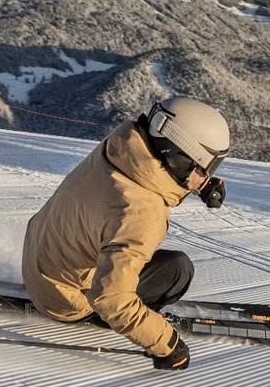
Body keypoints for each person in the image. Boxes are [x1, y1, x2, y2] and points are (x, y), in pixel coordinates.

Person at [22, 96, 231, 371]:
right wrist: (166, 343)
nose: (206, 177)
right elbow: (111, 298)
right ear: (181, 159)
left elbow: (157, 161)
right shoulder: (142, 212)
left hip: (38, 257)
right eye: (205, 169)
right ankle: (120, 319)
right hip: (68, 301)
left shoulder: (119, 148)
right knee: (178, 270)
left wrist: (198, 184)